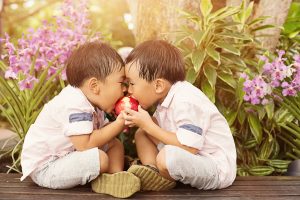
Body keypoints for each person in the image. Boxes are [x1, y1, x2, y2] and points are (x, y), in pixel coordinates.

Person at [20, 41, 141, 198]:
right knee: (100, 158)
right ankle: (109, 177)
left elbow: (102, 135)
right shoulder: (74, 103)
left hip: (69, 157)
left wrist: (122, 122)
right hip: (48, 168)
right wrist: (118, 125)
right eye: (121, 82)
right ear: (94, 86)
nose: (125, 89)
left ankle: (115, 178)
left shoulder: (94, 103)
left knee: (114, 144)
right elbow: (85, 144)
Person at [124, 40, 237, 191]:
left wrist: (149, 125)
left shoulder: (186, 100)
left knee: (166, 156)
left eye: (132, 84)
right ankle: (152, 173)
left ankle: (159, 172)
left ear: (158, 86)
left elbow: (189, 148)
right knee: (141, 133)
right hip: (190, 159)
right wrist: (144, 124)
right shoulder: (164, 99)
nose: (129, 91)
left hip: (214, 168)